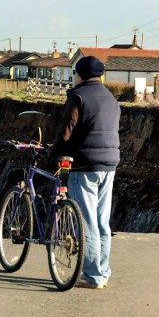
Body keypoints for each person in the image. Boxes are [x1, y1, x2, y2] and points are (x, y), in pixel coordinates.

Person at [49, 55, 120, 289]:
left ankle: (92, 276)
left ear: (79, 75)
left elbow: (66, 129)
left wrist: (54, 155)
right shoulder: (111, 98)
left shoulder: (78, 96)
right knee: (101, 221)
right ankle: (102, 270)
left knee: (87, 222)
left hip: (85, 165)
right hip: (109, 165)